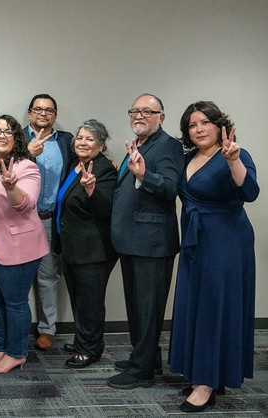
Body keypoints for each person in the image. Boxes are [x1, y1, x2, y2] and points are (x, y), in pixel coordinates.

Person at [169, 101, 259, 413]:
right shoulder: (188, 158)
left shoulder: (235, 153)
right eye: (192, 125)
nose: (199, 129)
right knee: (197, 306)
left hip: (226, 242)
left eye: (205, 122)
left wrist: (233, 161)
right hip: (196, 241)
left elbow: (250, 192)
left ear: (219, 125)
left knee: (214, 307)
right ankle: (206, 373)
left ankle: (206, 383)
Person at [107, 93, 185, 389]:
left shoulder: (169, 146)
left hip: (152, 242)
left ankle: (142, 372)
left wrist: (143, 175)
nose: (138, 115)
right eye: (134, 111)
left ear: (161, 117)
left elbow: (169, 187)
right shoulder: (137, 144)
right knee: (137, 307)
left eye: (147, 111)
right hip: (131, 240)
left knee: (149, 308)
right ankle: (146, 357)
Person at [0, 115, 49, 373]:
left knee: (14, 302)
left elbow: (25, 203)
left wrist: (11, 186)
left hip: (18, 246)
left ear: (16, 138)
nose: (0, 135)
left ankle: (16, 354)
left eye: (7, 131)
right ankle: (2, 349)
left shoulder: (26, 167)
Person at [52, 120, 117, 368]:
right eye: (79, 138)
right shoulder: (75, 165)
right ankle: (84, 341)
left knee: (89, 303)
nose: (82, 142)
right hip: (72, 249)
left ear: (100, 144)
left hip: (93, 251)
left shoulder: (104, 169)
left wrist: (91, 190)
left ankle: (89, 350)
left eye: (89, 139)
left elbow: (106, 208)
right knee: (79, 299)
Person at [24, 93, 73, 351]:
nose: (43, 113)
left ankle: (47, 330)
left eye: (49, 110)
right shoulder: (17, 138)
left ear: (55, 115)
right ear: (30, 113)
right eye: (38, 109)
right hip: (20, 219)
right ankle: (17, 328)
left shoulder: (66, 141)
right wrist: (27, 153)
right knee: (17, 275)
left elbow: (89, 154)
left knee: (48, 276)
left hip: (49, 219)